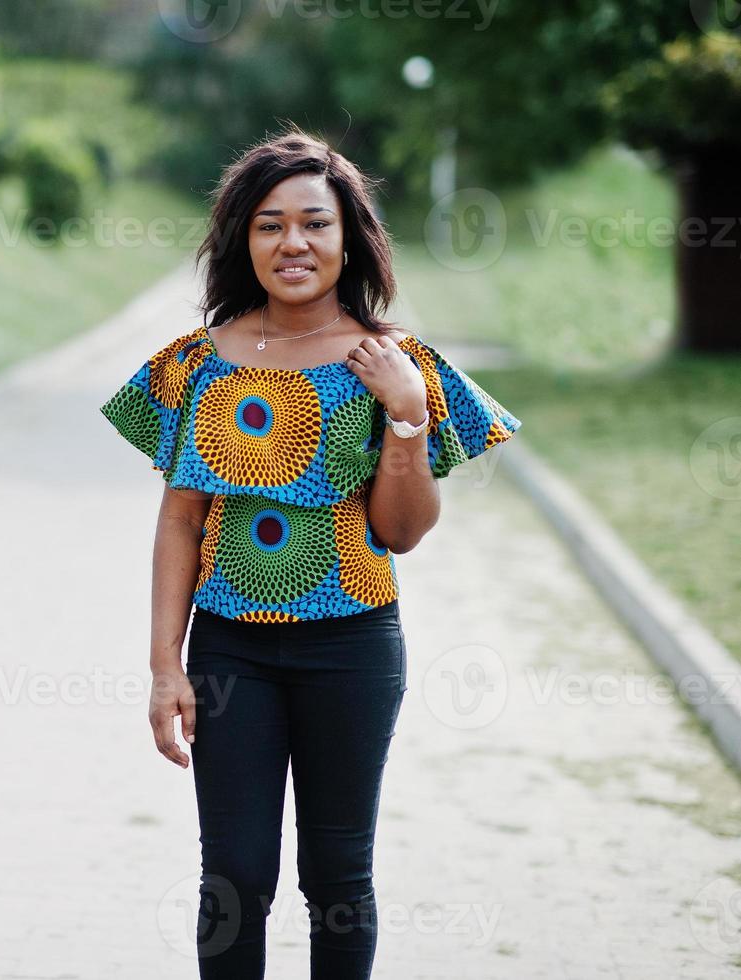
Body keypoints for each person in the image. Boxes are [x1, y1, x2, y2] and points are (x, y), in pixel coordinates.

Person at [98, 127, 523, 980]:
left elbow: (401, 532)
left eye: (313, 223)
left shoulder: (398, 365)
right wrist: (163, 667)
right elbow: (180, 520)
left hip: (353, 647)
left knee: (336, 878)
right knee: (234, 875)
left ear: (347, 238)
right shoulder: (194, 365)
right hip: (229, 650)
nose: (291, 242)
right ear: (240, 240)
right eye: (267, 224)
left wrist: (407, 414)